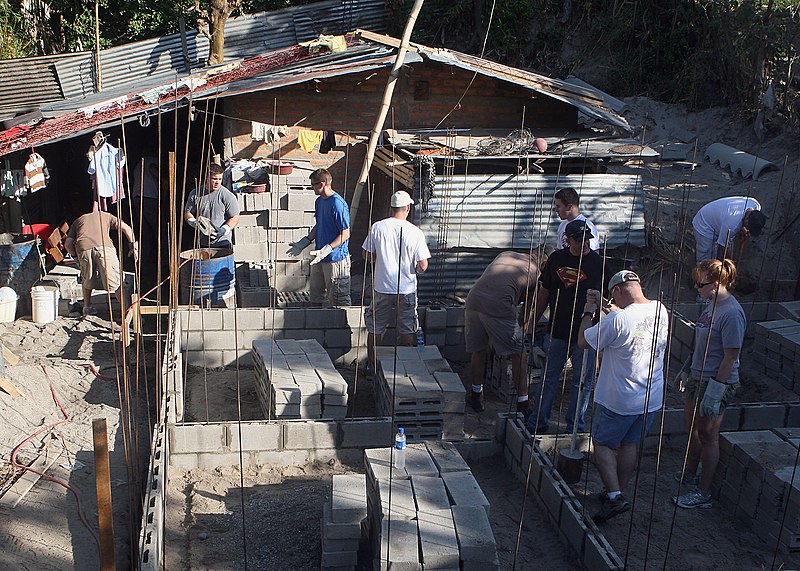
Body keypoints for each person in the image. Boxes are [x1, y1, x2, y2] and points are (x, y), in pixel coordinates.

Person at [578, 270, 669, 523]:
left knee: (603, 444)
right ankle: (614, 493)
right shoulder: (660, 310)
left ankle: (615, 497)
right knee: (629, 444)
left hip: (619, 398)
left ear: (617, 290)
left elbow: (584, 341)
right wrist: (607, 306)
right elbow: (625, 315)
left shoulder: (617, 321)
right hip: (650, 397)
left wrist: (589, 311)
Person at [673, 259, 745, 509]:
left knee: (709, 434)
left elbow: (731, 356)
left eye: (699, 283)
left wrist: (715, 392)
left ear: (715, 284)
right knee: (692, 427)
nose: (696, 287)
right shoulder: (710, 305)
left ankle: (703, 493)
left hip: (715, 380)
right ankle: (689, 474)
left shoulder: (732, 313)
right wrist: (687, 369)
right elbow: (701, 344)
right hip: (697, 377)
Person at [528, 220, 603, 433]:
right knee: (548, 379)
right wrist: (533, 321)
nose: (584, 244)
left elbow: (607, 300)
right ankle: (537, 424)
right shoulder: (557, 259)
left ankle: (574, 428)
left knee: (582, 383)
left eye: (587, 239)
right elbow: (545, 291)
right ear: (567, 240)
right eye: (579, 241)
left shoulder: (598, 264)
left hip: (586, 334)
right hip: (558, 330)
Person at [464, 249, 545, 415]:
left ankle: (476, 395)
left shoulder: (506, 254)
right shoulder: (536, 273)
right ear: (544, 260)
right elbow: (525, 315)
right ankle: (523, 404)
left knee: (478, 350)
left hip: (473, 299)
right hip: (498, 306)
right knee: (519, 353)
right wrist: (519, 335)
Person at [362, 190, 431, 373]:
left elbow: (366, 255)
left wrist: (381, 259)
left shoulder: (377, 227)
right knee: (407, 328)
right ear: (407, 208)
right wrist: (414, 270)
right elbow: (423, 265)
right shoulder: (415, 232)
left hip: (382, 287)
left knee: (375, 328)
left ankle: (371, 367)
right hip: (406, 288)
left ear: (391, 208)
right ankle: (403, 368)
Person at [287, 168, 351, 307]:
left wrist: (328, 249)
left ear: (322, 184)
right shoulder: (320, 201)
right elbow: (319, 224)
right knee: (316, 296)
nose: (312, 188)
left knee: (337, 298)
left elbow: (345, 233)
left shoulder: (337, 204)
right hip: (319, 257)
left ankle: (338, 327)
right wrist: (305, 241)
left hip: (335, 259)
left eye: (313, 185)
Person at [65, 210, 138, 320]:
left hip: (83, 247)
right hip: (104, 247)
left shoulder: (77, 221)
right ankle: (126, 313)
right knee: (116, 282)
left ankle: (87, 307)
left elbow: (68, 244)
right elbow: (126, 228)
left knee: (87, 278)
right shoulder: (107, 216)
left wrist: (76, 258)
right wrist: (133, 247)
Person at [692, 196, 766, 264]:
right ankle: (700, 277)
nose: (748, 229)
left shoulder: (755, 204)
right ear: (746, 220)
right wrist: (731, 265)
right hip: (704, 225)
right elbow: (723, 247)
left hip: (717, 220)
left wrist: (743, 227)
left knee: (712, 257)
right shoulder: (732, 225)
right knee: (705, 260)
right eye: (749, 227)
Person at [183, 163, 240, 249]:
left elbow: (235, 217)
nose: (217, 182)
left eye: (220, 179)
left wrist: (224, 229)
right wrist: (193, 222)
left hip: (222, 243)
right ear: (206, 177)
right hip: (202, 243)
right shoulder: (195, 193)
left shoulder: (227, 196)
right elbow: (188, 213)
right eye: (214, 179)